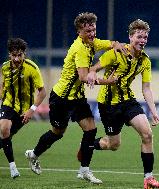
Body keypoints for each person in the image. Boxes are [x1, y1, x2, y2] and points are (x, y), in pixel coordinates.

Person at [25, 12, 126, 184]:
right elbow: (84, 77)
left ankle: (84, 171)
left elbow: (111, 43)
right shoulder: (79, 48)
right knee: (58, 133)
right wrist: (108, 81)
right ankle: (33, 154)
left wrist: (119, 45)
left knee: (91, 130)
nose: (92, 34)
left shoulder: (92, 42)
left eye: (93, 29)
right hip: (62, 99)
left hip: (77, 98)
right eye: (88, 31)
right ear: (79, 32)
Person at [78, 19, 159, 188]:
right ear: (130, 37)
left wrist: (153, 111)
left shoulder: (145, 61)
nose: (143, 40)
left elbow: (146, 88)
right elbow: (94, 68)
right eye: (139, 36)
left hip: (128, 101)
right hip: (109, 105)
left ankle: (149, 178)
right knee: (113, 145)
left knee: (147, 134)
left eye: (145, 37)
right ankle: (87, 146)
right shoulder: (116, 53)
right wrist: (92, 74)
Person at [0, 38, 46, 178]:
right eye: (14, 55)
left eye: (19, 55)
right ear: (9, 55)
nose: (16, 58)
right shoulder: (5, 67)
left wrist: (32, 109)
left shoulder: (32, 68)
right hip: (8, 104)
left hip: (25, 110)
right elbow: (3, 85)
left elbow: (42, 92)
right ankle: (13, 167)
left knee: (5, 138)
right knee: (4, 129)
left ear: (24, 54)